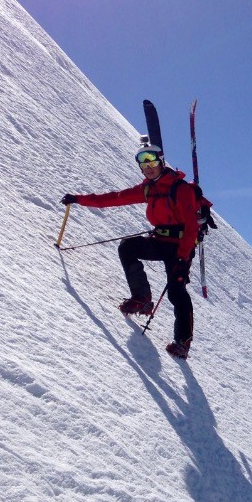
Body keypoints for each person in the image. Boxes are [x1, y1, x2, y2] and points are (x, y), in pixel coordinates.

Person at [62, 143, 201, 359]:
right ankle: (142, 298)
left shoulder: (179, 188)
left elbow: (191, 226)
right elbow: (114, 198)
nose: (149, 167)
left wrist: (183, 257)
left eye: (153, 162)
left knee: (176, 291)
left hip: (180, 246)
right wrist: (79, 199)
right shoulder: (148, 188)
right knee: (128, 246)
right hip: (160, 240)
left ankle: (182, 342)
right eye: (144, 164)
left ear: (162, 162)